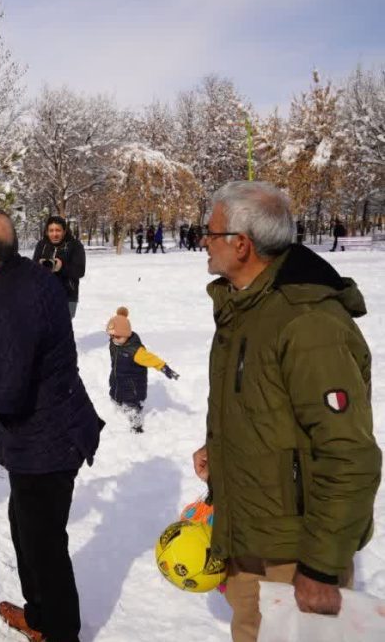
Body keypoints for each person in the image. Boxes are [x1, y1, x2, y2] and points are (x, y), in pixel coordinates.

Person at [190, 181, 380, 642]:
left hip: (295, 556)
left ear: (242, 244)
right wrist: (222, 450)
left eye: (210, 232)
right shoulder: (245, 308)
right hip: (251, 537)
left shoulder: (309, 323)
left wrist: (321, 565)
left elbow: (348, 453)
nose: (203, 242)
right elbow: (263, 409)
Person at [0, 206, 102, 642]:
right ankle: (40, 615)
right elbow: (23, 351)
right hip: (48, 431)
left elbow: (6, 395)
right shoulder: (27, 277)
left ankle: (59, 631)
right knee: (26, 529)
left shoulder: (5, 302)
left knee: (43, 545)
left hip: (47, 440)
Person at [105, 306, 179, 433]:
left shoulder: (137, 351)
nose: (113, 339)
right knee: (115, 396)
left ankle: (136, 423)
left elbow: (152, 359)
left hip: (133, 387)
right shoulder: (115, 343)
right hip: (118, 380)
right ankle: (119, 402)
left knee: (131, 406)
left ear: (126, 334)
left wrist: (164, 367)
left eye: (117, 336)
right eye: (111, 336)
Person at [32, 216, 87, 319]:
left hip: (68, 294)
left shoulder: (75, 245)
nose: (54, 234)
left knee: (63, 328)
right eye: (51, 230)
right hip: (44, 293)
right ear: (47, 232)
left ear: (64, 231)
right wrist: (38, 265)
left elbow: (80, 271)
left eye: (58, 230)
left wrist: (61, 267)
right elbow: (32, 269)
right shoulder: (42, 245)